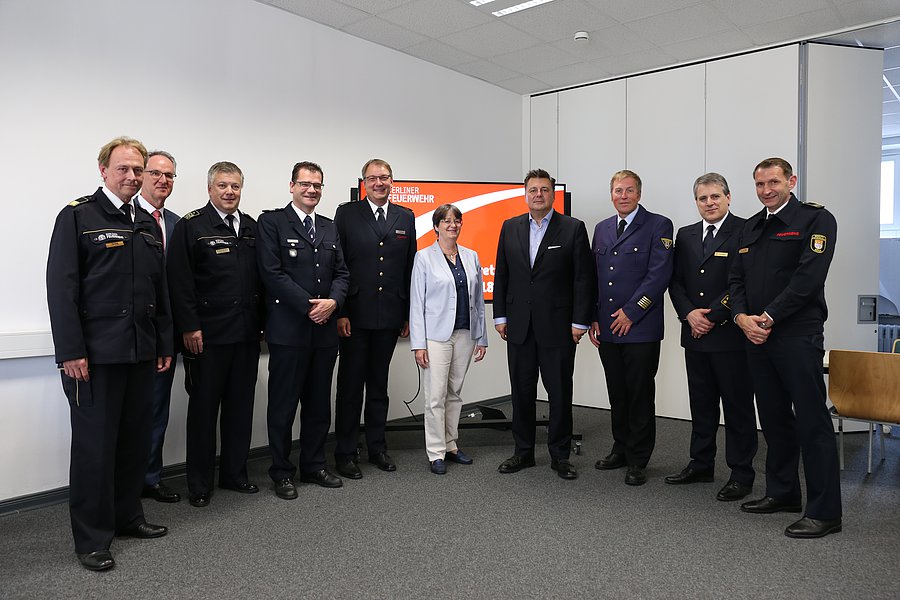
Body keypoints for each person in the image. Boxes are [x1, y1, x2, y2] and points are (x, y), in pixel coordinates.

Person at [46, 137, 172, 572]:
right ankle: (92, 538)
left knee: (134, 443)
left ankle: (128, 516)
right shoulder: (78, 216)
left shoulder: (145, 222)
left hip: (140, 353)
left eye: (138, 170)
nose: (133, 177)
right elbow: (61, 290)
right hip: (94, 359)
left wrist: (163, 344)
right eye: (124, 169)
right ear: (103, 170)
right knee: (95, 449)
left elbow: (161, 291)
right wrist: (71, 351)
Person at [729, 157, 841, 538]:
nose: (766, 190)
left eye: (773, 182)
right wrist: (742, 318)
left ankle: (825, 511)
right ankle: (783, 492)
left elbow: (808, 278)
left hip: (796, 335)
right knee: (774, 419)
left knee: (812, 422)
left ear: (791, 181)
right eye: (759, 184)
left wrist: (768, 317)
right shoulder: (749, 227)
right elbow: (735, 280)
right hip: (755, 336)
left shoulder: (815, 220)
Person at [166, 161, 263, 508]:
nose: (229, 192)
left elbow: (262, 280)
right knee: (204, 412)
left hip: (246, 335)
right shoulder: (192, 226)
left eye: (235, 186)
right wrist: (189, 327)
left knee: (240, 408)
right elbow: (179, 281)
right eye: (222, 186)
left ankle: (235, 474)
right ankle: (199, 483)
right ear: (210, 189)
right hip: (207, 337)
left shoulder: (252, 228)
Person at [493, 169, 596, 480]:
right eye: (533, 189)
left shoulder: (573, 228)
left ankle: (560, 455)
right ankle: (522, 452)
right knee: (521, 392)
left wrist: (580, 321)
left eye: (544, 190)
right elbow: (502, 275)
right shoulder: (510, 227)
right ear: (526, 194)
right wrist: (500, 316)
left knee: (559, 393)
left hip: (559, 327)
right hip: (519, 327)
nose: (538, 194)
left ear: (553, 194)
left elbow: (583, 279)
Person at [257, 161, 349, 499]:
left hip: (324, 332)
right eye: (305, 184)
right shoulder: (272, 223)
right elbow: (272, 273)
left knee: (318, 404)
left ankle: (313, 465)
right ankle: (282, 471)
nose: (312, 190)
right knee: (283, 405)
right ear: (292, 186)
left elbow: (342, 273)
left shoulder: (328, 227)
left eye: (318, 185)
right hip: (289, 330)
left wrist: (334, 303)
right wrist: (313, 306)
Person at [665, 173, 757, 501]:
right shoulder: (686, 235)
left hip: (730, 335)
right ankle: (701, 464)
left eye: (716, 196)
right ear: (696, 202)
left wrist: (712, 315)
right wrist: (689, 313)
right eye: (703, 199)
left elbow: (743, 281)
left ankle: (741, 473)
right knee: (701, 405)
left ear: (729, 198)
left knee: (737, 408)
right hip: (695, 335)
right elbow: (675, 282)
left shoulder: (746, 230)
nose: (710, 203)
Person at [333, 159, 416, 478]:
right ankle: (346, 451)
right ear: (363, 182)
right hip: (353, 315)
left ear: (392, 181)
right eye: (373, 178)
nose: (379, 183)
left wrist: (408, 313)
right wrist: (340, 311)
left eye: (384, 178)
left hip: (390, 315)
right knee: (351, 386)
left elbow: (409, 268)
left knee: (379, 386)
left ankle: (377, 447)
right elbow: (336, 264)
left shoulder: (405, 216)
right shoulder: (347, 213)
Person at [590, 170, 673, 486]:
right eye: (617, 191)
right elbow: (596, 276)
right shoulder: (601, 229)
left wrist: (630, 312)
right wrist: (595, 316)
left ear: (639, 193)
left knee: (639, 393)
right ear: (611, 194)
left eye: (628, 190)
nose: (622, 196)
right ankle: (620, 448)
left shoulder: (658, 225)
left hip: (640, 328)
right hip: (609, 327)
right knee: (617, 392)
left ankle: (638, 459)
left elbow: (659, 275)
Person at [409, 204, 488, 475]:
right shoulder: (424, 257)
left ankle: (451, 445)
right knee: (435, 396)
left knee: (454, 394)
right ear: (436, 226)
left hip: (465, 334)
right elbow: (416, 303)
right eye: (446, 221)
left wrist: (482, 337)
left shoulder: (471, 256)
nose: (452, 225)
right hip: (436, 337)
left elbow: (478, 301)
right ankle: (435, 452)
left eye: (456, 220)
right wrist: (418, 344)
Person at [135, 150, 182, 504]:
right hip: (126, 337)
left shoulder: (178, 224)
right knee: (126, 418)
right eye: (156, 174)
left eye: (169, 175)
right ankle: (124, 486)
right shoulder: (125, 216)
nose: (162, 181)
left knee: (156, 413)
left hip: (164, 336)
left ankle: (150, 478)